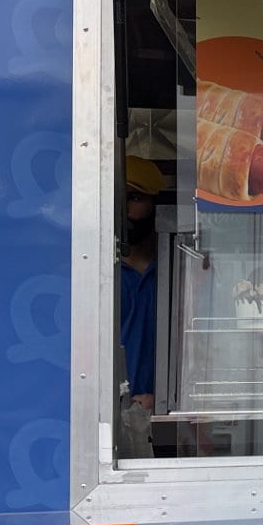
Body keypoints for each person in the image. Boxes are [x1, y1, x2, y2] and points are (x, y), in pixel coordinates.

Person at [118, 157, 164, 458]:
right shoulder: (98, 271)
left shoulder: (178, 267)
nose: (124, 209)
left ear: (155, 206)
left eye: (135, 198)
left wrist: (162, 398)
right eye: (119, 198)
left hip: (167, 417)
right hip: (107, 415)